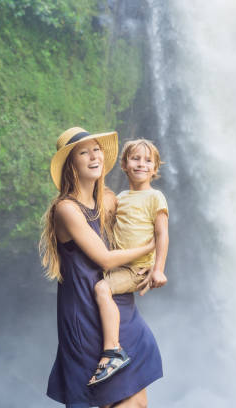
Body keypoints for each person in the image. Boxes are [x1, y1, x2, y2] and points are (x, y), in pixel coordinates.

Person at [41, 127, 163, 408]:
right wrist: (149, 247)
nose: (94, 156)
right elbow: (105, 259)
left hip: (116, 304)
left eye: (96, 149)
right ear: (71, 165)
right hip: (85, 310)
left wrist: (148, 268)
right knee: (107, 400)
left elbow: (141, 218)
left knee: (138, 401)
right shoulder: (66, 209)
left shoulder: (109, 199)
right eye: (84, 152)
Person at [88, 139, 169, 387]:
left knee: (102, 289)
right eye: (135, 158)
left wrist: (158, 270)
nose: (141, 164)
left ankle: (113, 351)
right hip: (118, 264)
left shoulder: (156, 197)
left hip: (136, 269)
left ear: (155, 169)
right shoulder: (121, 197)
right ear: (124, 164)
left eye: (147, 160)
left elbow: (162, 234)